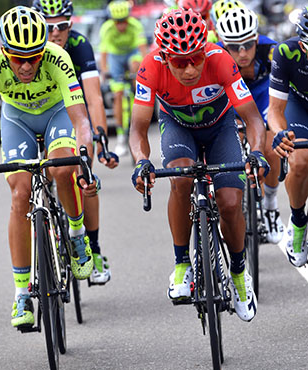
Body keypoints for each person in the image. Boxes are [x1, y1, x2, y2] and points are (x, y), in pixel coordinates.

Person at [129, 8, 269, 321]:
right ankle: (182, 264)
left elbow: (252, 119)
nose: (190, 68)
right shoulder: (150, 68)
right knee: (180, 179)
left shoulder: (220, 59)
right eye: (180, 62)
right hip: (177, 126)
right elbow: (138, 129)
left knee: (231, 203)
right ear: (165, 57)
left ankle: (238, 272)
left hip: (220, 128)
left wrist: (257, 151)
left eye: (196, 57)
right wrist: (141, 162)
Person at [0, 6, 97, 328]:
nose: (26, 66)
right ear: (3, 51)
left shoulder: (57, 58)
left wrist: (85, 161)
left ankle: (77, 233)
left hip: (57, 112)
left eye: (34, 57)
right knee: (19, 193)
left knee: (61, 168)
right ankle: (22, 293)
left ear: (44, 50)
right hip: (17, 120)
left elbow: (81, 121)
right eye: (17, 58)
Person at [32, 0, 119, 284]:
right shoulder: (29, 48)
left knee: (84, 175)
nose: (56, 32)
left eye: (62, 25)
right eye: (49, 26)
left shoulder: (80, 45)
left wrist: (99, 138)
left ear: (71, 23)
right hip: (36, 113)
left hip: (73, 113)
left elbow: (93, 97)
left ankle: (92, 249)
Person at [216, 7, 284, 244]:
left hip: (262, 94)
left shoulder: (272, 51)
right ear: (224, 44)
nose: (242, 52)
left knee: (268, 143)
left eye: (247, 44)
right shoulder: (216, 55)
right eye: (234, 46)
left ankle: (271, 207)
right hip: (231, 95)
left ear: (256, 39)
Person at [268, 6, 308, 267]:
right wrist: (281, 134)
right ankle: (298, 222)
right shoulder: (286, 52)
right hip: (298, 105)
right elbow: (274, 110)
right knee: (301, 160)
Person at [99, 0, 148, 156]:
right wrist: (105, 71)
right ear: (112, 20)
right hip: (116, 58)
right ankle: (121, 135)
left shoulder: (135, 25)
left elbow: (142, 51)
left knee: (136, 64)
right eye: (117, 22)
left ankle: (137, 93)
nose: (121, 25)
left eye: (123, 21)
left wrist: (144, 71)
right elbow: (104, 54)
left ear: (128, 18)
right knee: (118, 94)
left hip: (131, 54)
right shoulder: (106, 29)